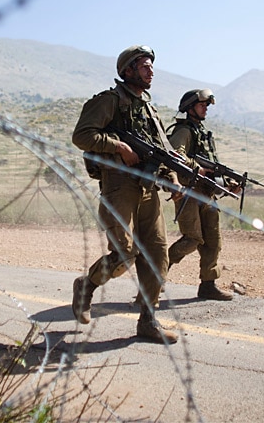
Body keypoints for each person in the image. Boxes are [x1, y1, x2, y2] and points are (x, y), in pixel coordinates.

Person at [71, 45, 181, 344]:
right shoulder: (109, 101)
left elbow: (164, 151)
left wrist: (172, 178)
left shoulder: (148, 108)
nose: (151, 71)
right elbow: (82, 136)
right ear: (128, 70)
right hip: (119, 186)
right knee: (125, 253)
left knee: (158, 256)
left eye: (151, 66)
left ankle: (148, 321)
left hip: (148, 190)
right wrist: (118, 146)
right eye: (144, 66)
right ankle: (87, 286)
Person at [166, 89, 237, 301]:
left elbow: (212, 166)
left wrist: (227, 183)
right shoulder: (184, 131)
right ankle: (155, 273)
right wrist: (198, 168)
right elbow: (174, 155)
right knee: (192, 239)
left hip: (207, 193)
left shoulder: (203, 133)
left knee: (213, 241)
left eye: (207, 105)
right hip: (189, 193)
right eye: (202, 105)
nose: (205, 108)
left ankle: (208, 285)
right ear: (190, 107)